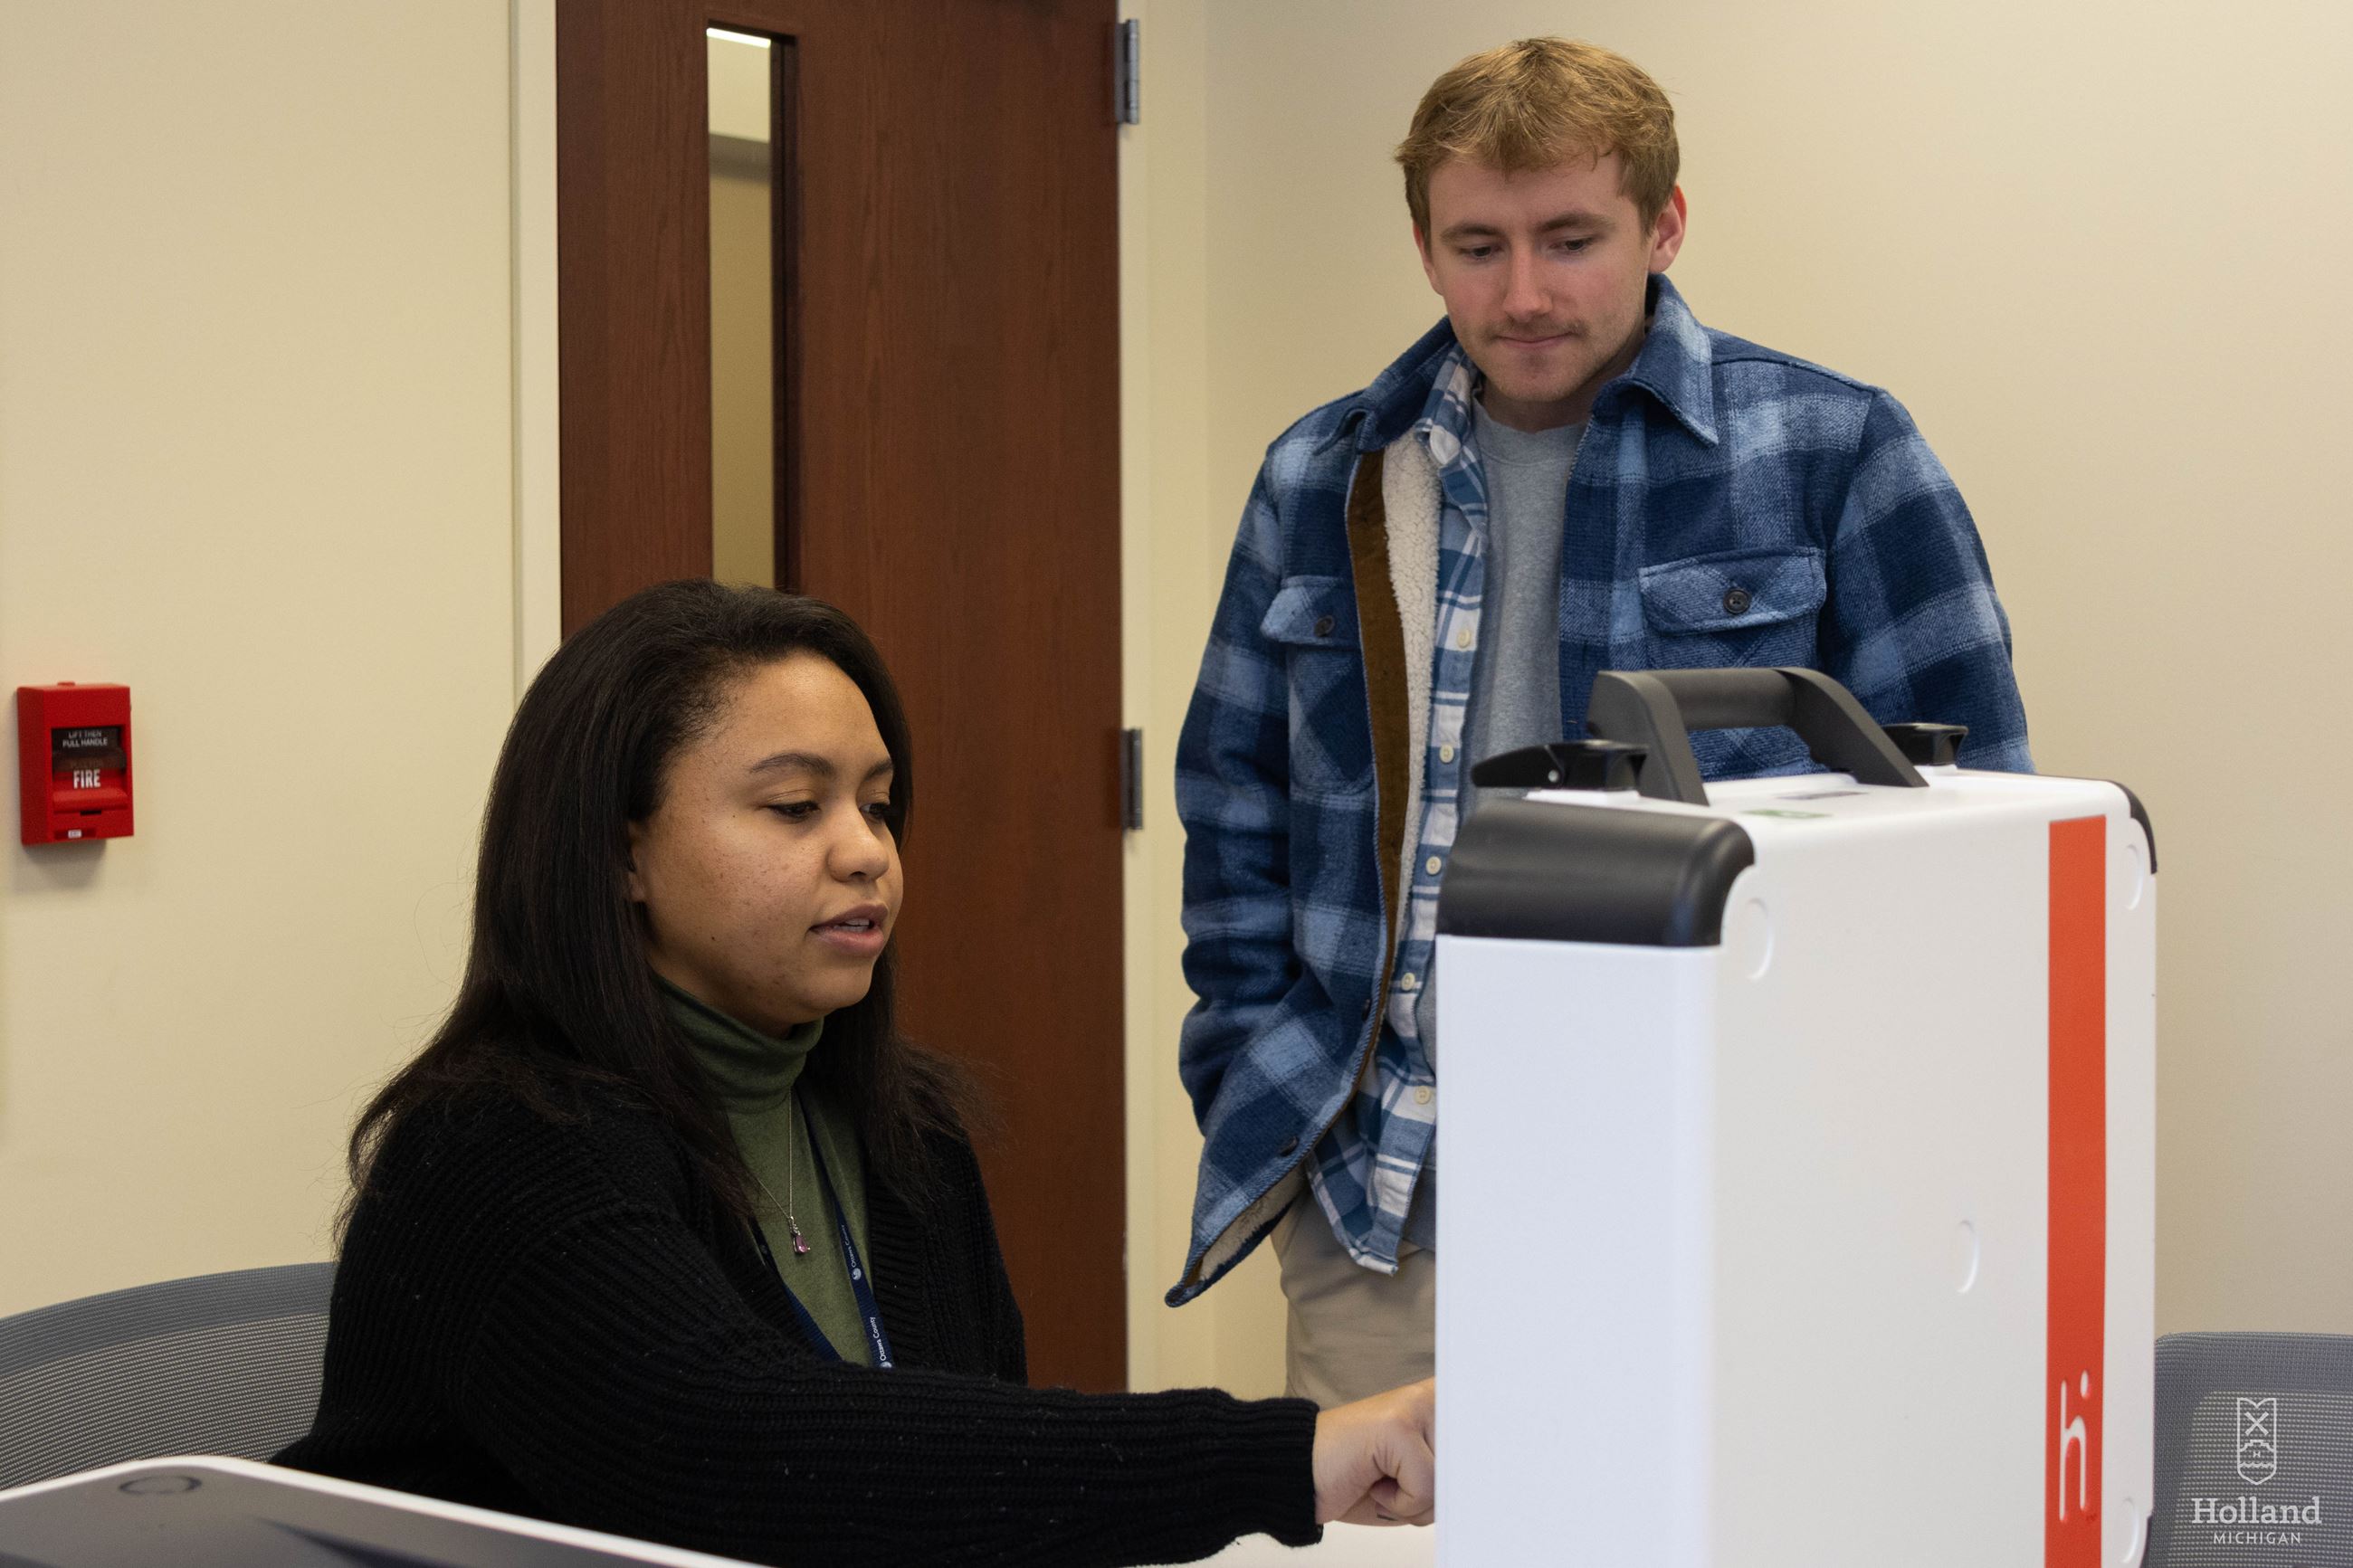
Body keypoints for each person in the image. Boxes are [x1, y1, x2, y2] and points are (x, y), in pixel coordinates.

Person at [1170, 37, 2034, 1407]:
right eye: (1478, 245)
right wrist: (1250, 1068)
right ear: (1424, 245)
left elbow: (1976, 834)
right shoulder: (1322, 475)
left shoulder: (1835, 454)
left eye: (1571, 239)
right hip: (1393, 1197)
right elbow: (1234, 802)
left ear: (1664, 224)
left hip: (1738, 1189)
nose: (1522, 293)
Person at [276, 580, 1435, 1566]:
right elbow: (732, 1451)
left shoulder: (904, 1129)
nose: (865, 849)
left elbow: (970, 1472)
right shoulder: (490, 1143)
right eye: (793, 806)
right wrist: (1285, 1454)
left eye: (878, 804)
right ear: (619, 850)